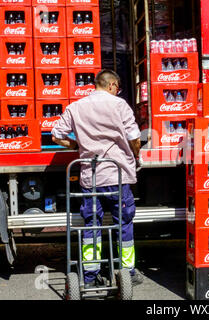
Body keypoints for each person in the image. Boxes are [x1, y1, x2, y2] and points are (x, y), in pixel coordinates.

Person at [51, 69, 143, 288]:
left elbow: (56, 135)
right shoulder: (119, 105)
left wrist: (75, 145)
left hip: (89, 178)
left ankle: (90, 276)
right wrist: (136, 156)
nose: (117, 91)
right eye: (117, 88)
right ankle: (127, 272)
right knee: (124, 223)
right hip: (117, 176)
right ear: (112, 85)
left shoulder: (75, 107)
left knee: (91, 225)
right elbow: (134, 138)